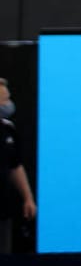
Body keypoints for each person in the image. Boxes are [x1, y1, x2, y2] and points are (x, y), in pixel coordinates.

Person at [0, 79, 36, 255]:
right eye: (4, 100)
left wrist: (27, 197)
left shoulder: (8, 129)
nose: (8, 104)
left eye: (8, 99)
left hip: (3, 209)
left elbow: (15, 165)